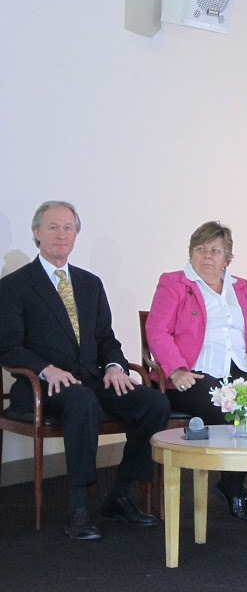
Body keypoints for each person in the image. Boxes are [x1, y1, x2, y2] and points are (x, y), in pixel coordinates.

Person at [0, 201, 171, 540]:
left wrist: (114, 366)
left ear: (76, 234)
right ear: (37, 233)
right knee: (82, 401)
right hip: (41, 386)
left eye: (68, 228)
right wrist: (46, 369)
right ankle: (78, 506)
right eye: (53, 227)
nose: (61, 234)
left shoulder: (90, 283)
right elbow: (9, 347)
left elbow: (106, 338)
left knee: (154, 403)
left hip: (91, 379)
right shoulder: (15, 285)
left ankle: (120, 493)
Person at [145, 221, 247, 522]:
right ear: (190, 253)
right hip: (194, 375)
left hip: (239, 371)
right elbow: (157, 331)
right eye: (200, 249)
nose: (207, 256)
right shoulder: (174, 283)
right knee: (233, 412)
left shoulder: (241, 287)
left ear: (227, 259)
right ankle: (233, 486)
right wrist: (176, 369)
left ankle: (231, 483)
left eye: (215, 251)